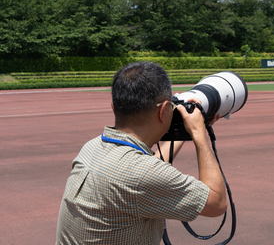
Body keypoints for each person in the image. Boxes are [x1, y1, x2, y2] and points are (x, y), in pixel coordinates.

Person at [56, 61, 227, 244]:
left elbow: (140, 172)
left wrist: (182, 130)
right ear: (163, 110)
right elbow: (216, 203)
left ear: (114, 106)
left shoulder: (92, 147)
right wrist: (199, 135)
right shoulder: (141, 175)